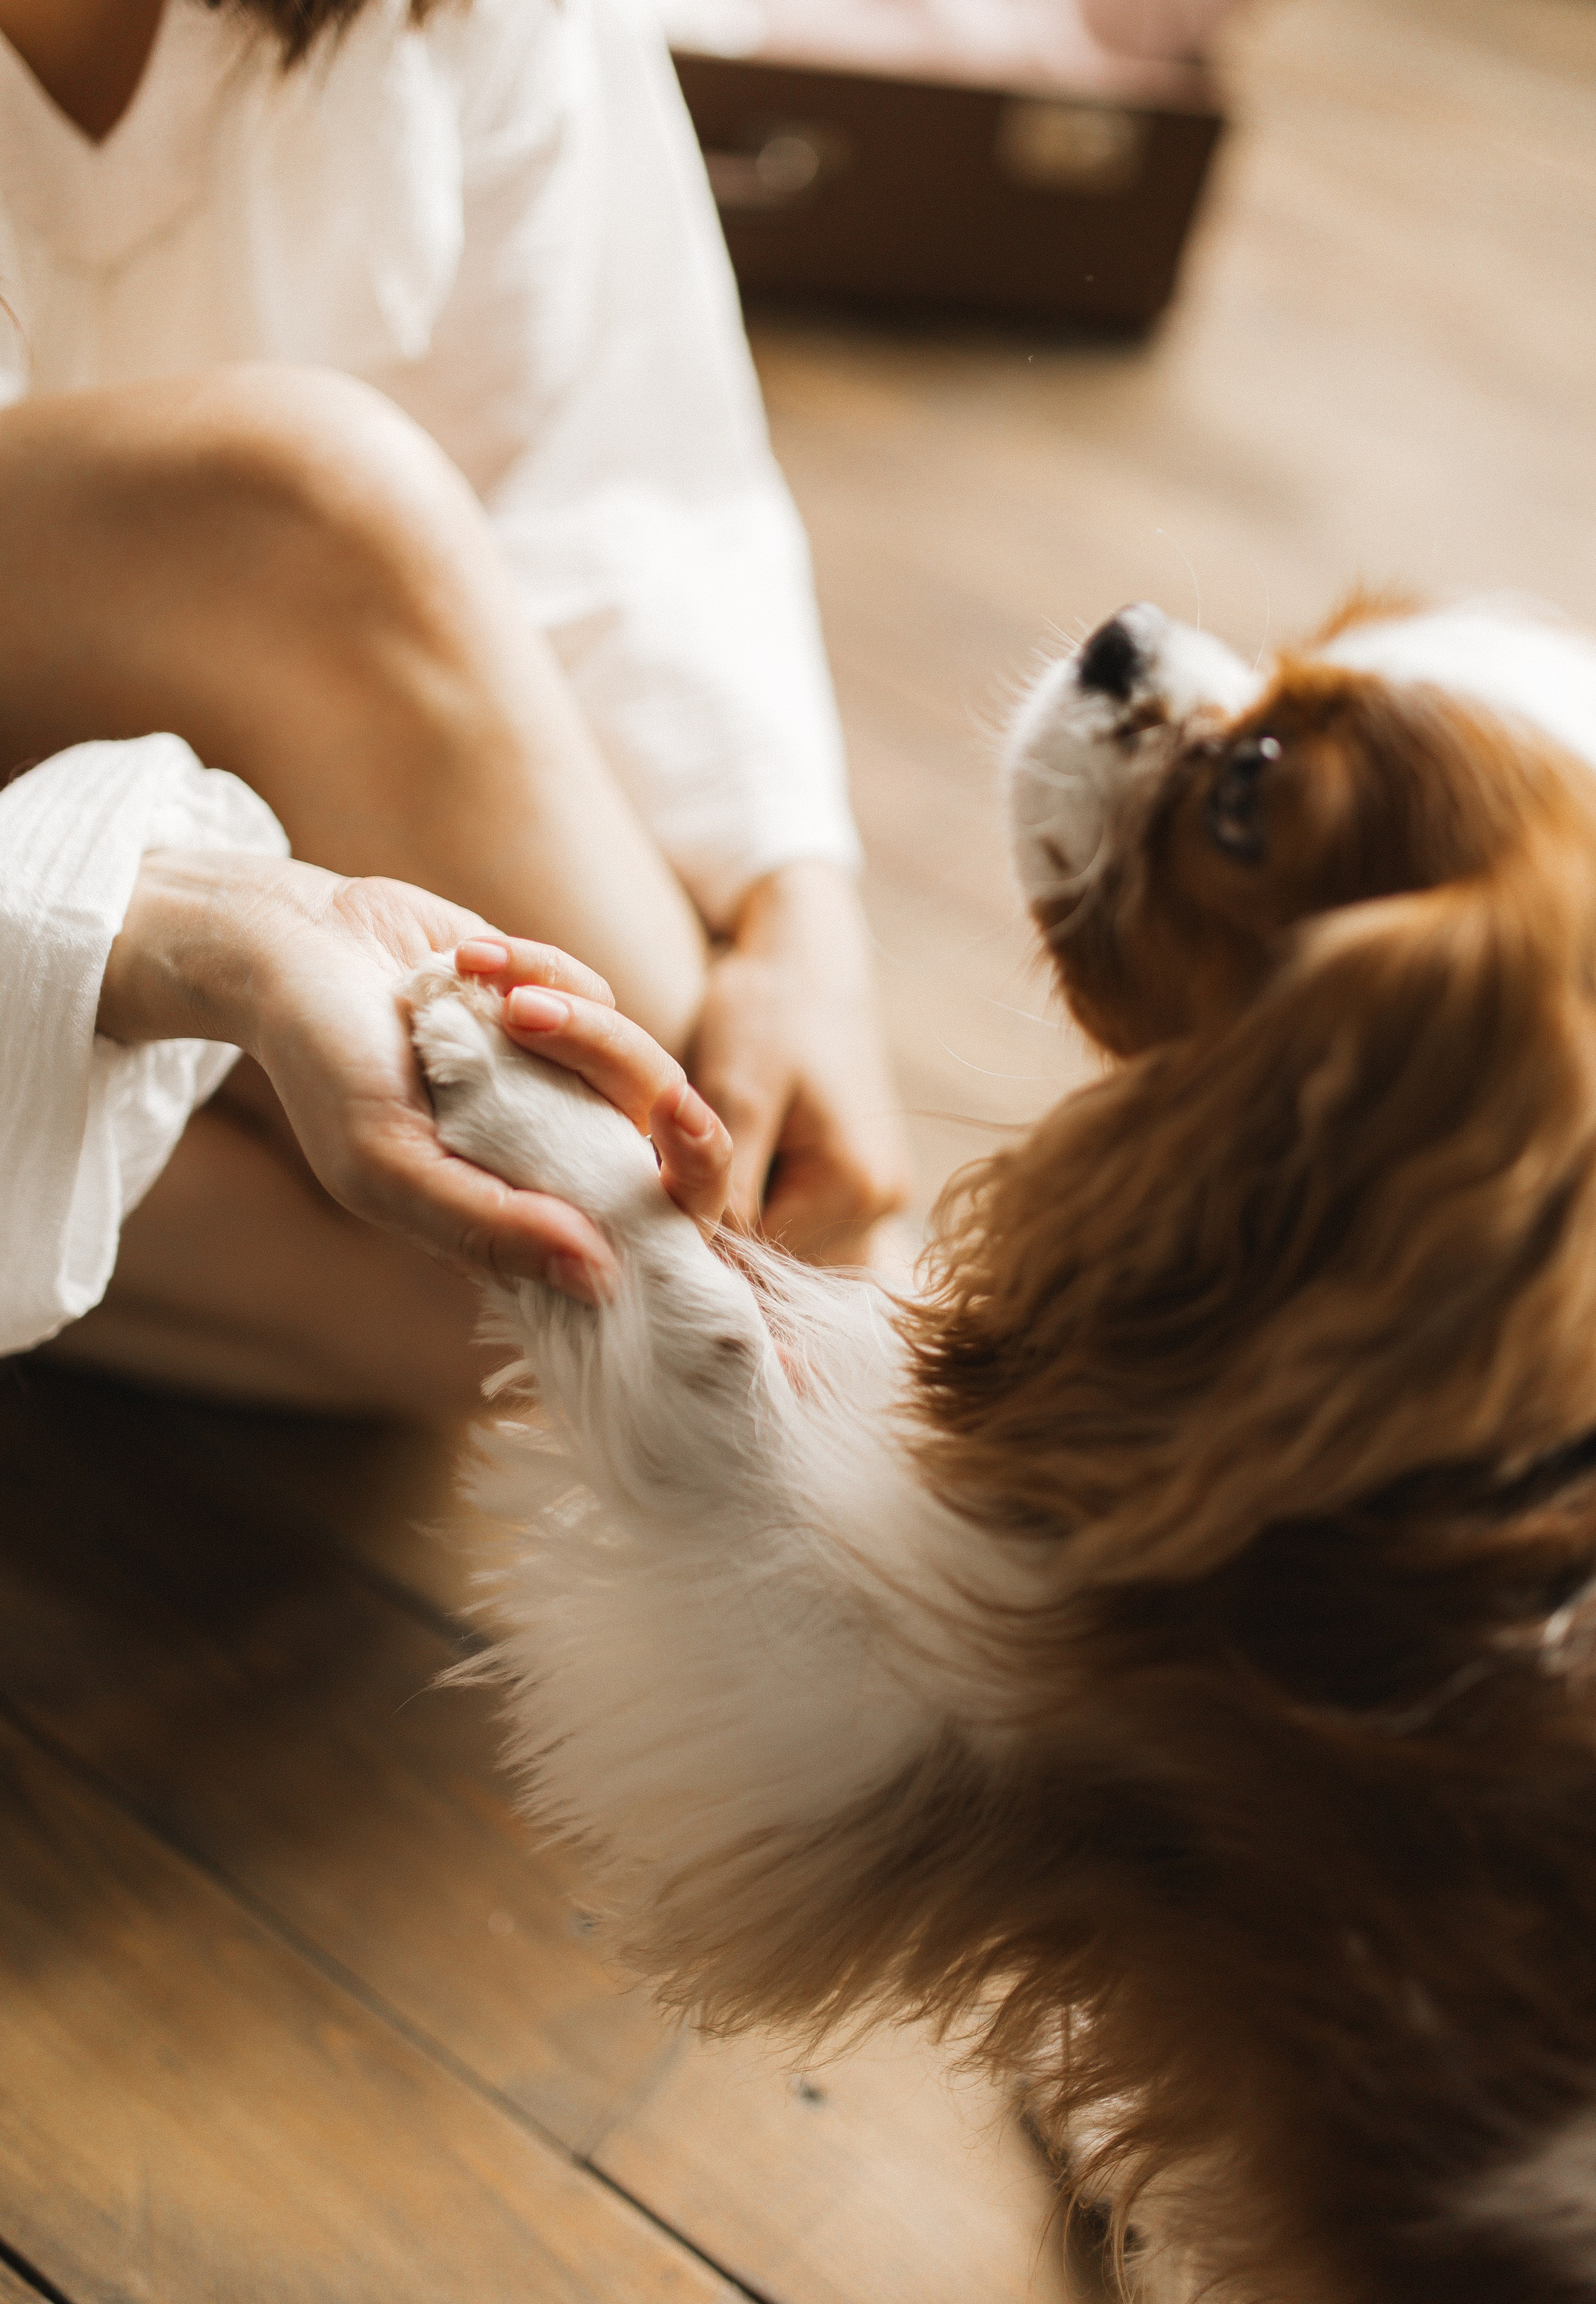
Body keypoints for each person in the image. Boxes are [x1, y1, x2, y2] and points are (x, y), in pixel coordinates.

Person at [0, 0, 910, 1420]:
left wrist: (800, 910)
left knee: (520, 1318)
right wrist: (156, 931)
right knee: (303, 510)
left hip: (252, 821)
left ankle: (854, 1397)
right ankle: (890, 1436)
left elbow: (607, 458)